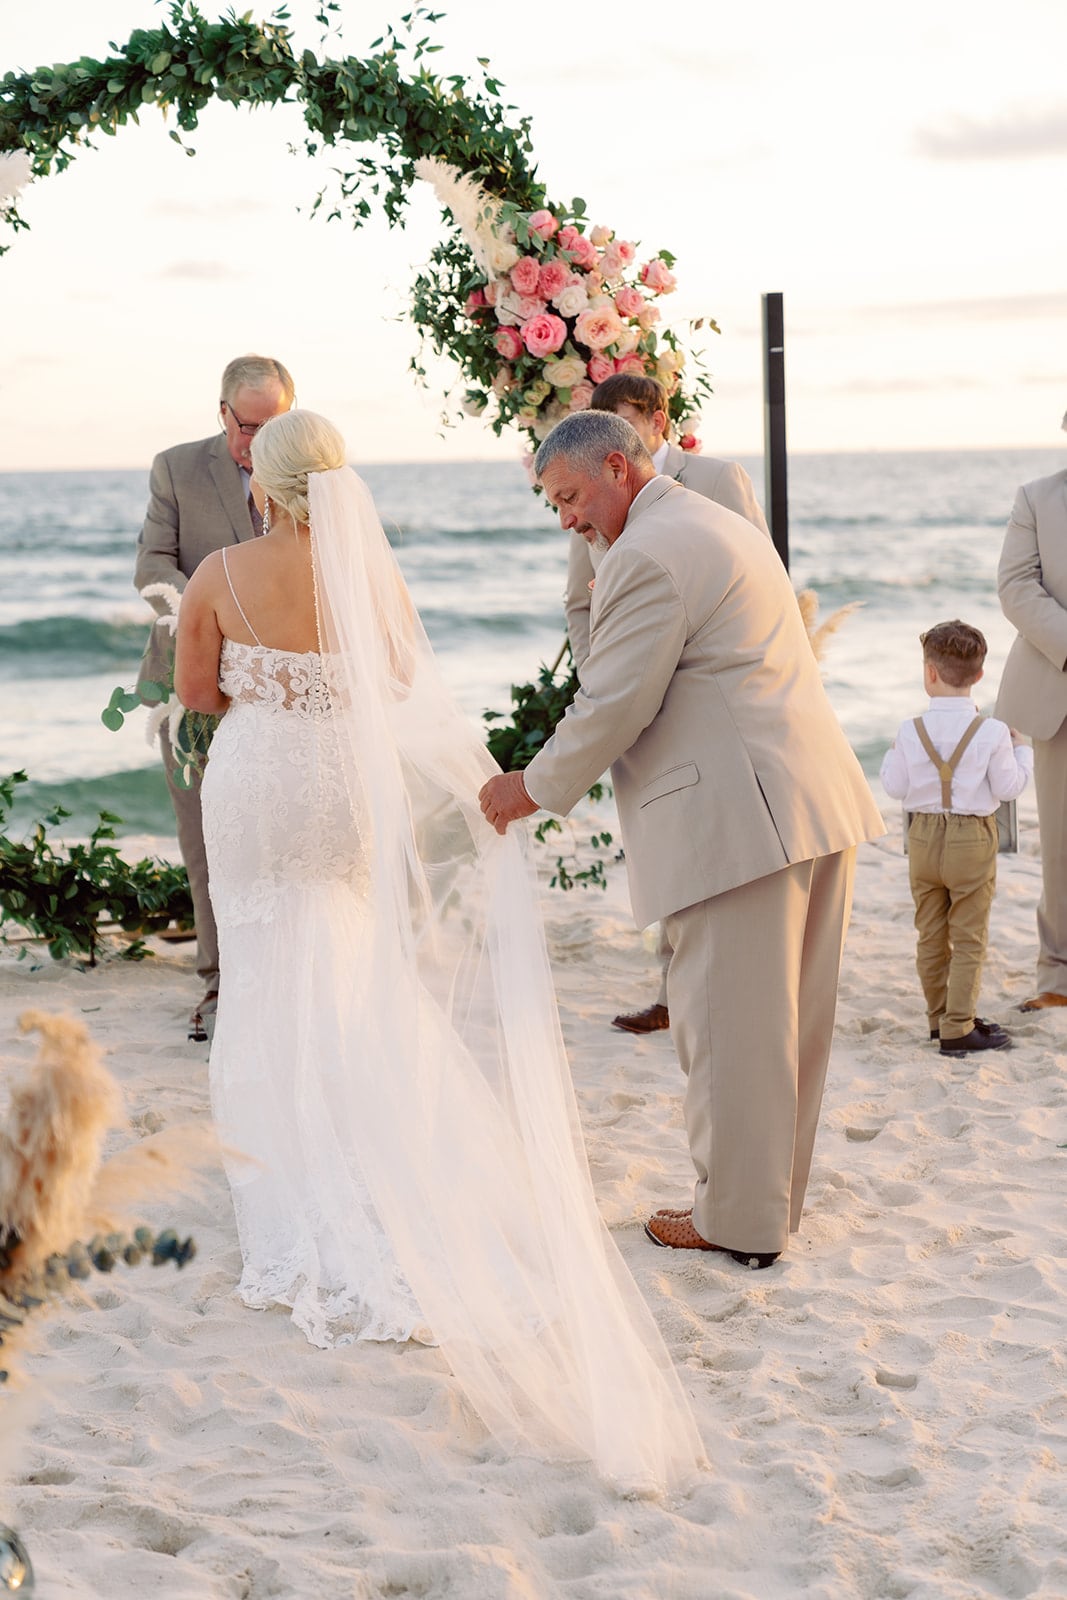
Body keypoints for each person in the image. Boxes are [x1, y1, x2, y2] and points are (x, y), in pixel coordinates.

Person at [173, 410, 704, 1494]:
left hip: (261, 778)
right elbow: (407, 685)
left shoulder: (218, 571)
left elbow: (195, 694)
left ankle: (290, 1156)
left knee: (271, 956)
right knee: (350, 950)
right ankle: (377, 1139)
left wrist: (265, 693)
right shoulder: (371, 580)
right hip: (344, 788)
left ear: (260, 483)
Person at [479, 411, 884, 1269]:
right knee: (788, 1027)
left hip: (739, 818)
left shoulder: (649, 554)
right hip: (806, 798)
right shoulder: (705, 522)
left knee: (727, 1029)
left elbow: (612, 700)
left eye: (570, 498)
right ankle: (766, 1205)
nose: (565, 520)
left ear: (619, 467)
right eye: (552, 505)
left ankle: (736, 1220)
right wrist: (593, 543)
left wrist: (530, 787)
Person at [567, 374, 772, 1036]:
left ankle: (693, 986)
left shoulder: (714, 484)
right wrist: (601, 668)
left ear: (656, 420)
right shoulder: (591, 497)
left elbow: (758, 576)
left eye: (629, 420)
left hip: (702, 704)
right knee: (668, 845)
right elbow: (580, 599)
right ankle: (672, 985)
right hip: (636, 698)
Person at [134, 354, 295, 1042]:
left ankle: (286, 978)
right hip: (191, 684)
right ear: (222, 413)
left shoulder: (308, 467)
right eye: (247, 426)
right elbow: (150, 568)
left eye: (273, 426)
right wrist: (211, 614)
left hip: (281, 692)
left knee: (283, 839)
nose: (258, 443)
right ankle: (220, 984)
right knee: (204, 839)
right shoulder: (175, 467)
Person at [880, 621, 1032, 1053]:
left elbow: (894, 787)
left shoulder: (910, 731)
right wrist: (1022, 752)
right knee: (968, 936)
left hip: (924, 840)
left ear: (929, 672)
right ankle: (959, 1025)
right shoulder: (992, 732)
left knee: (930, 934)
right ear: (980, 675)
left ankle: (936, 1018)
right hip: (971, 841)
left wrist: (895, 754)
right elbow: (1007, 788)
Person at [995, 425, 1067, 1011]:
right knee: (1062, 843)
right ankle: (1058, 979)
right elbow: (1016, 587)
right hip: (1058, 687)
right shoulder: (1037, 498)